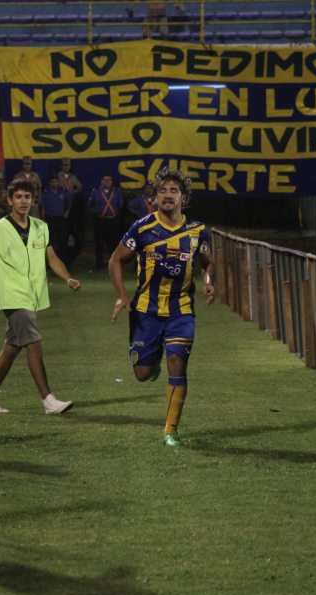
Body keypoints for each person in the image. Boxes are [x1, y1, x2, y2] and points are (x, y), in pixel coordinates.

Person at [0, 178, 81, 416]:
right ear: (10, 201)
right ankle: (48, 400)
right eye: (18, 197)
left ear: (33, 200)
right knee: (34, 343)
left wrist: (68, 278)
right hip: (12, 296)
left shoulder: (41, 227)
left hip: (32, 296)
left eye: (27, 197)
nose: (23, 201)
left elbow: (51, 258)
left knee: (12, 347)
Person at [108, 166, 215, 447]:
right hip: (146, 312)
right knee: (142, 374)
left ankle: (170, 430)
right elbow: (115, 260)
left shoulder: (198, 232)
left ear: (183, 198)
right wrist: (121, 295)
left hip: (181, 311)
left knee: (177, 363)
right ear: (155, 197)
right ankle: (151, 361)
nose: (168, 195)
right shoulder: (141, 228)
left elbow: (207, 262)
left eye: (174, 191)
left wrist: (209, 281)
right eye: (162, 190)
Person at [87, 173, 124, 269]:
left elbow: (120, 205)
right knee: (99, 243)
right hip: (99, 221)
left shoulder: (117, 192)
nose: (107, 182)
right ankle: (99, 264)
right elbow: (90, 205)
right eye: (105, 180)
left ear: (112, 182)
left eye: (109, 180)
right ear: (101, 181)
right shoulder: (95, 192)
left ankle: (113, 264)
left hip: (113, 220)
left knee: (113, 243)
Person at [56, 158, 83, 264]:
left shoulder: (73, 177)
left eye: (68, 165)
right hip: (60, 203)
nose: (66, 167)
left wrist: (72, 192)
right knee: (62, 231)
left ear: (70, 166)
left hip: (70, 205)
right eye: (64, 165)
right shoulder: (58, 176)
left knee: (72, 229)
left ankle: (72, 254)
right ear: (61, 166)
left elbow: (80, 187)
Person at [41, 175, 72, 263]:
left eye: (56, 181)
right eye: (53, 181)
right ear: (50, 183)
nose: (54, 183)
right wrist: (43, 220)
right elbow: (42, 208)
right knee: (49, 242)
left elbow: (70, 202)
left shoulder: (63, 193)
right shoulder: (46, 194)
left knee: (62, 240)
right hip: (50, 219)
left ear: (58, 182)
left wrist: (67, 211)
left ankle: (63, 262)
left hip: (61, 219)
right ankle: (49, 262)